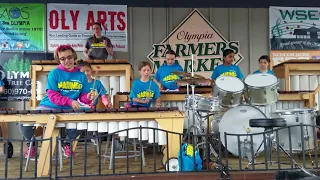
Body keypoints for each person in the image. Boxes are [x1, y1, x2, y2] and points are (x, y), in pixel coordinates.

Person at [19, 45, 94, 158]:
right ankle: (31, 142)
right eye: (62, 59)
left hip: (69, 109)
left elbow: (82, 97)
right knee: (23, 122)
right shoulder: (54, 73)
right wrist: (69, 101)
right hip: (48, 106)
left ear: (74, 57)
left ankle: (66, 142)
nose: (66, 61)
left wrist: (87, 97)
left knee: (85, 120)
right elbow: (53, 95)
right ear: (59, 60)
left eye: (69, 57)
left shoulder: (81, 76)